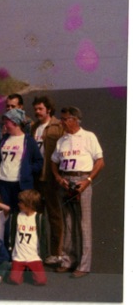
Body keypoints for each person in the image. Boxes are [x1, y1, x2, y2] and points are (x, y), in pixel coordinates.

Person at [51, 106, 104, 278]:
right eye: (62, 118)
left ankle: (84, 265)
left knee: (83, 223)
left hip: (82, 180)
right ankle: (68, 260)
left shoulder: (88, 136)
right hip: (66, 182)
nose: (62, 122)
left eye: (65, 119)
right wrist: (59, 178)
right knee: (68, 222)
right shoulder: (62, 140)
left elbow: (100, 161)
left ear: (75, 120)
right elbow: (54, 161)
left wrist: (87, 181)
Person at [31, 95, 64, 266]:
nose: (37, 112)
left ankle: (57, 253)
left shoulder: (58, 127)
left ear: (48, 109)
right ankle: (39, 252)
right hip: (36, 177)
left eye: (40, 109)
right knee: (38, 216)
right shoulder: (33, 127)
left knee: (55, 216)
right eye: (35, 109)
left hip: (50, 177)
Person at [0, 108, 43, 213]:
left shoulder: (28, 141)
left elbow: (39, 161)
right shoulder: (4, 139)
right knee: (4, 213)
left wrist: (28, 169)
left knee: (20, 212)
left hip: (19, 183)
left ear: (15, 123)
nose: (5, 125)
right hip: (2, 181)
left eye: (7, 122)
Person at [8, 189, 47, 286]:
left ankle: (29, 270)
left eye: (21, 202)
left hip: (33, 256)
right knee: (14, 280)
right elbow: (12, 234)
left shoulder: (39, 218)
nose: (18, 204)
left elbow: (43, 238)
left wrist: (43, 254)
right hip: (19, 256)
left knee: (41, 281)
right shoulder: (16, 216)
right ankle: (22, 270)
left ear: (29, 204)